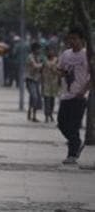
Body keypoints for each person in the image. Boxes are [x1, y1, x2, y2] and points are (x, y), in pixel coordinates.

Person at [56, 27, 90, 165]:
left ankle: (72, 154)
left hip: (79, 96)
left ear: (82, 40)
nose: (72, 41)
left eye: (75, 38)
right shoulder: (66, 54)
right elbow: (60, 69)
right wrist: (61, 73)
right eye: (70, 38)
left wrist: (84, 90)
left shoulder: (87, 55)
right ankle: (76, 142)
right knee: (62, 123)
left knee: (73, 126)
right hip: (66, 95)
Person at [25, 43, 43, 122]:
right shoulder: (30, 57)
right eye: (38, 49)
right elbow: (35, 66)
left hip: (36, 79)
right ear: (34, 49)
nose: (39, 50)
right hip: (30, 79)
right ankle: (31, 112)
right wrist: (43, 64)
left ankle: (33, 114)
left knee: (36, 97)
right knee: (34, 96)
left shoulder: (38, 57)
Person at [41, 46, 60, 123]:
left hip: (54, 83)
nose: (50, 53)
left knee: (52, 100)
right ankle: (46, 115)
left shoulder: (57, 60)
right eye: (48, 51)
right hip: (46, 83)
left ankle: (51, 114)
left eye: (51, 51)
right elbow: (41, 71)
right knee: (46, 100)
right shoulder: (44, 60)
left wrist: (59, 82)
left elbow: (59, 71)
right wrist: (41, 82)